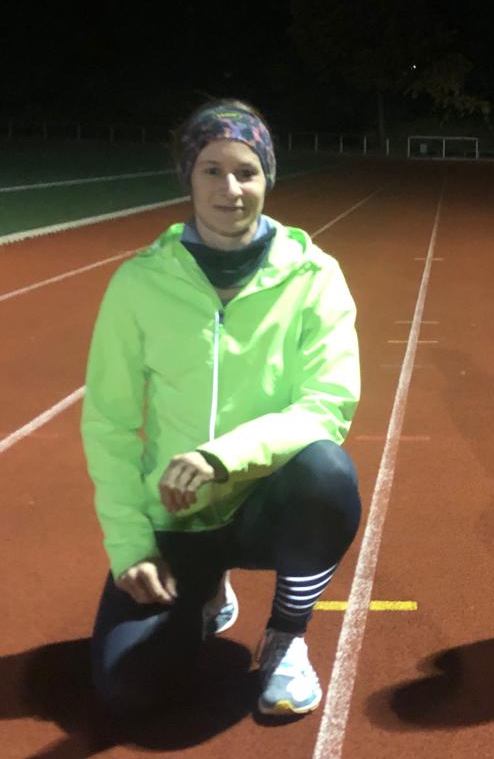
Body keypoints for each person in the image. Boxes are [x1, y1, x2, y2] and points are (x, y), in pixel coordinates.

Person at [82, 98, 362, 719]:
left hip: (267, 502)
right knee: (130, 692)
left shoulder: (314, 276)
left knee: (327, 472)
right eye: (212, 170)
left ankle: (287, 635)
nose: (230, 188)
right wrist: (130, 545)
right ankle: (207, 591)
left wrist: (221, 457)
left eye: (247, 171)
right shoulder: (139, 283)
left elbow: (327, 404)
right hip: (177, 516)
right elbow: (108, 421)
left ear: (267, 178)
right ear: (188, 177)